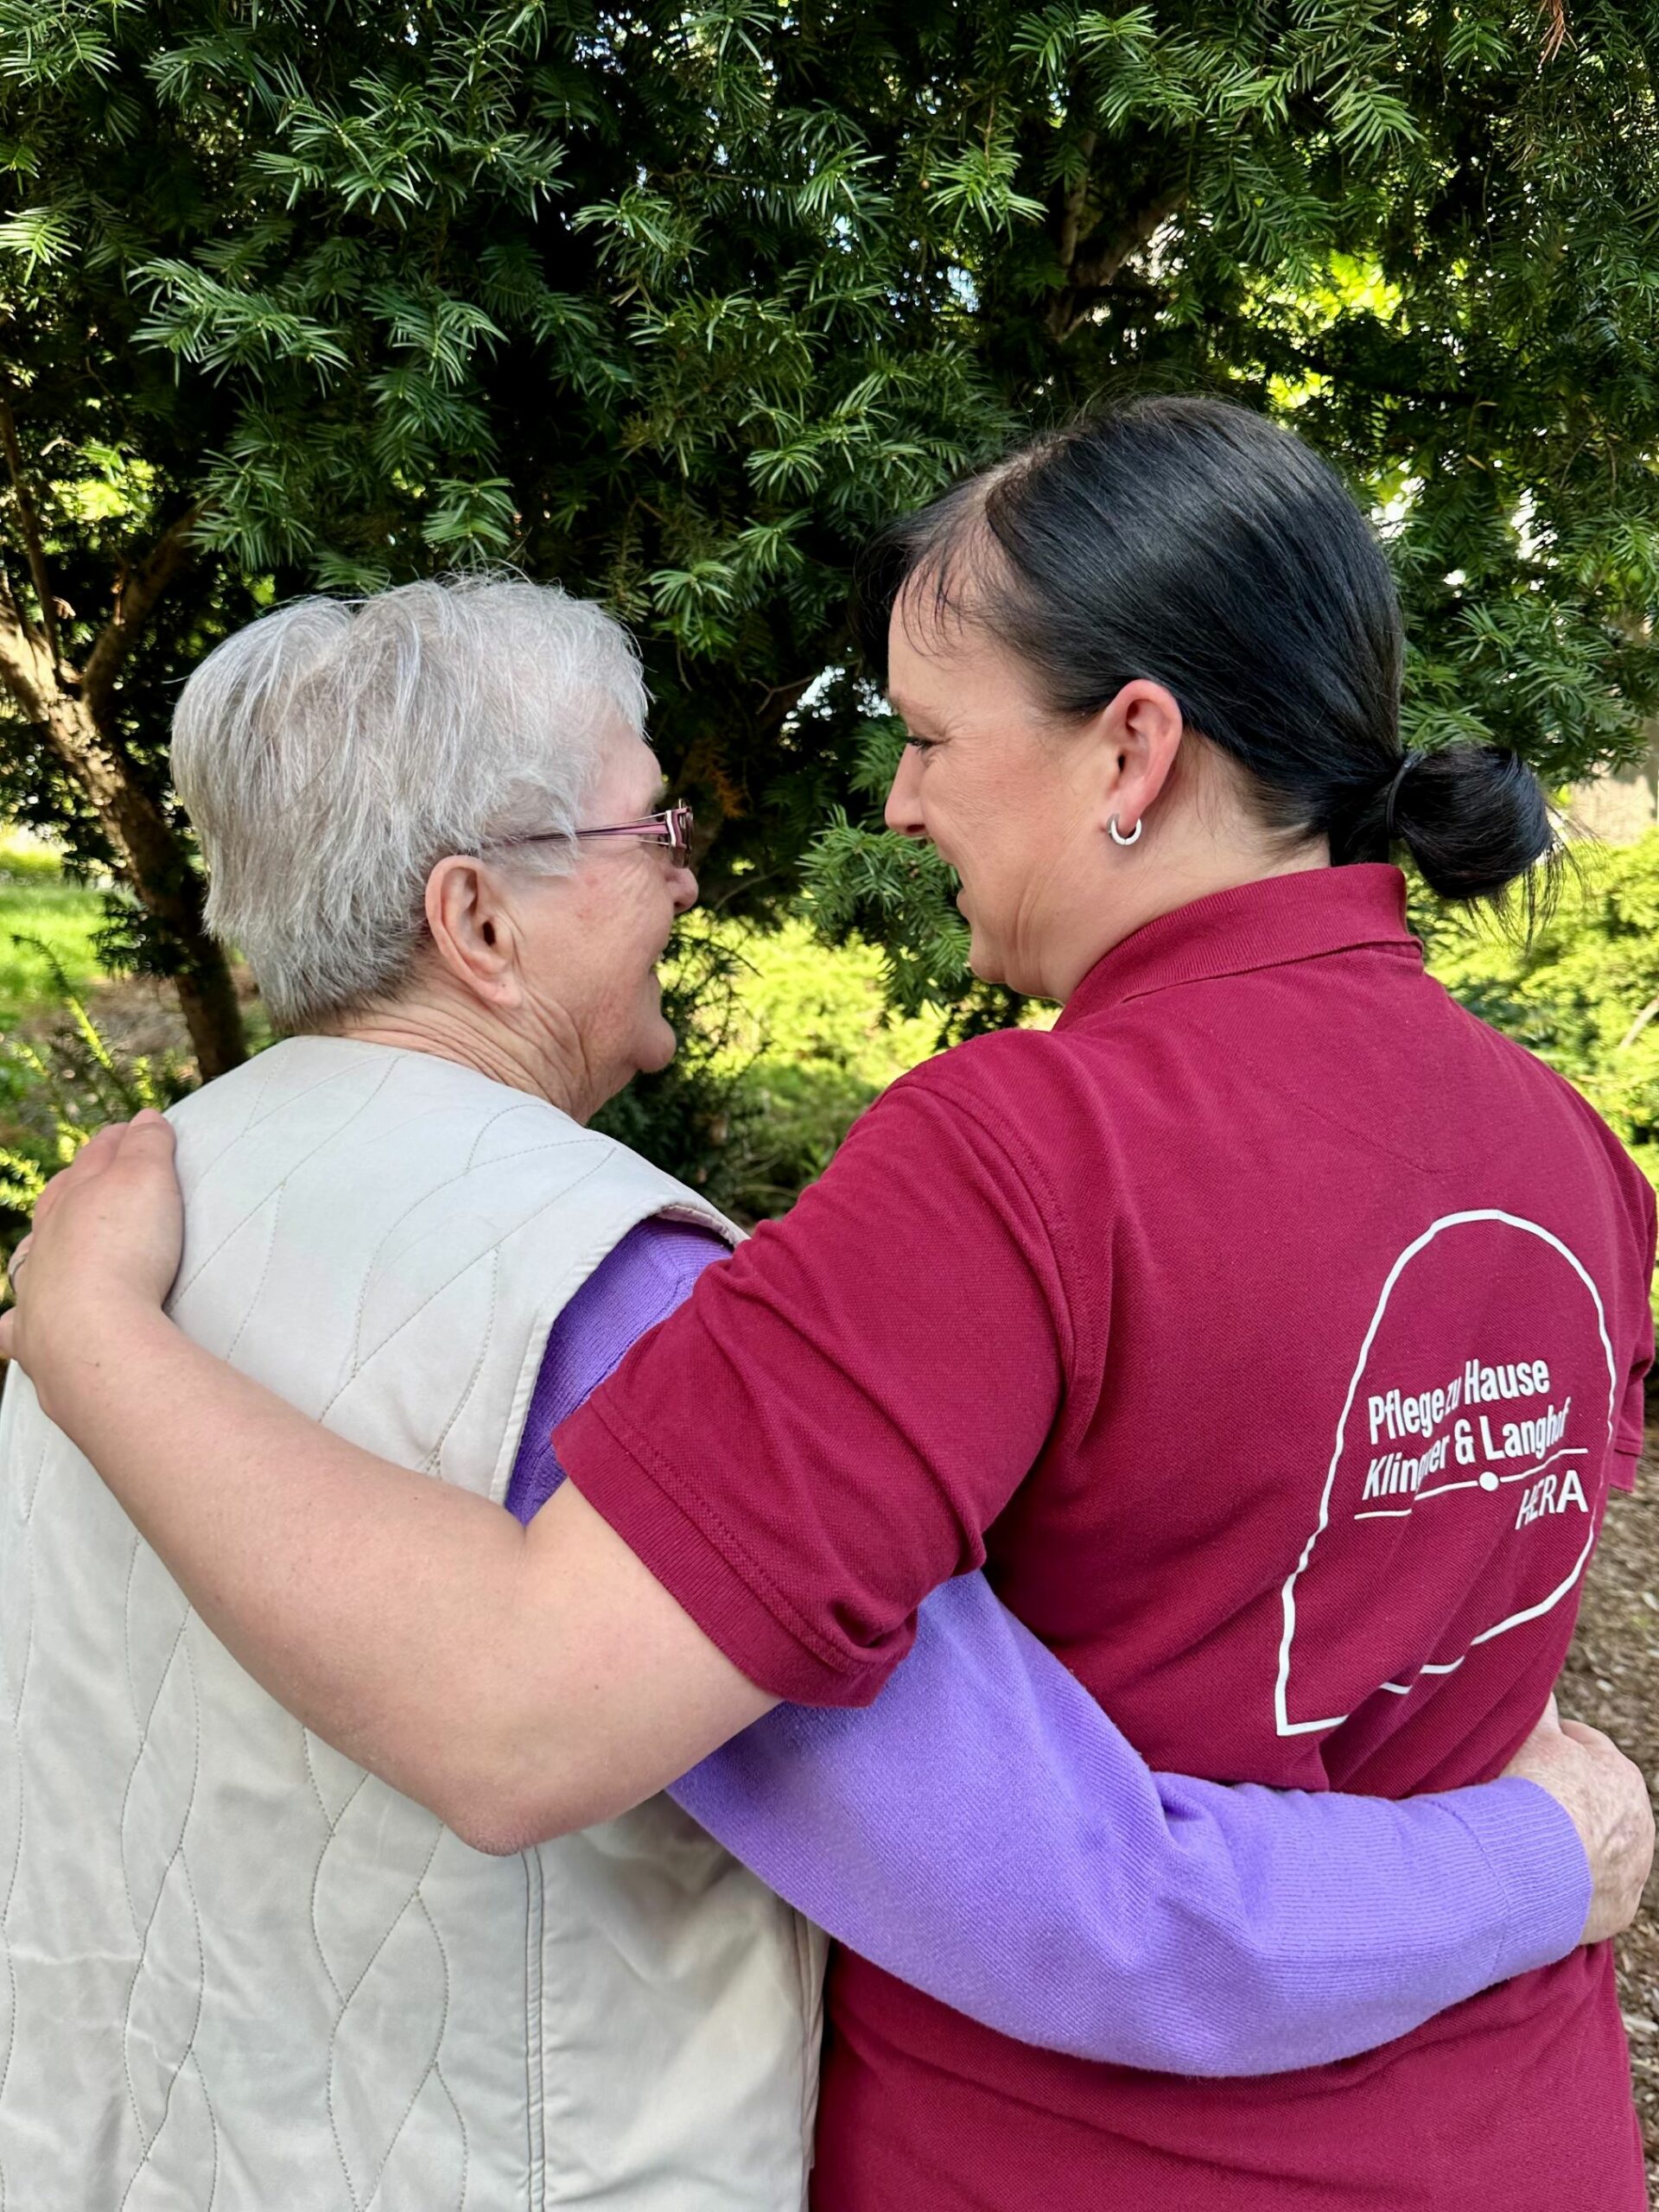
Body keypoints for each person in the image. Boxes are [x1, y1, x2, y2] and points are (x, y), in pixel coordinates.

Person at [3, 398, 1654, 2207]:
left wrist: (88, 1335)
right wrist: (1533, 1849)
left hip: (1088, 2162)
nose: (900, 796)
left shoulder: (1027, 1157)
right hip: (1523, 2129)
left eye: (936, 736)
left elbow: (525, 1704)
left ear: (1133, 750)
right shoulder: (1570, 1150)